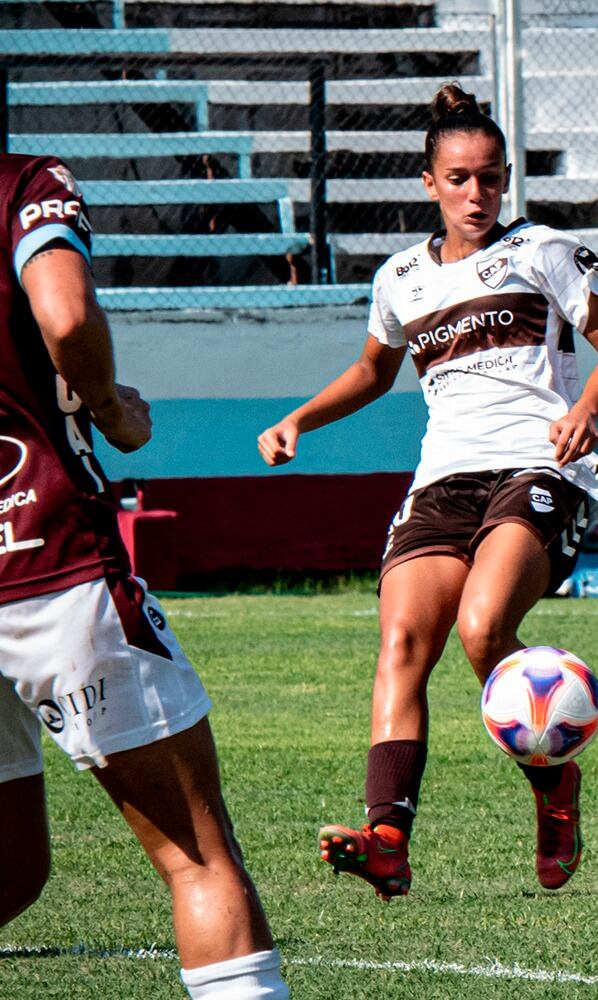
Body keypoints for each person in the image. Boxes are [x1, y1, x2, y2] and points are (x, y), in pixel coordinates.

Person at [257, 83, 598, 899]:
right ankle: (388, 840)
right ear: (429, 183)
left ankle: (552, 780)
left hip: (538, 470)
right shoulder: (400, 277)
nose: (477, 194)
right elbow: (372, 370)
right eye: (460, 179)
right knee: (400, 646)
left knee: (481, 627)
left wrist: (585, 408)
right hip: (442, 482)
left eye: (492, 178)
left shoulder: (544, 251)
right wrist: (300, 419)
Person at [0, 153, 289, 997]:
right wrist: (113, 408)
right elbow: (64, 311)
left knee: (11, 866)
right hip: (46, 562)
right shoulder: (24, 183)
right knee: (198, 857)